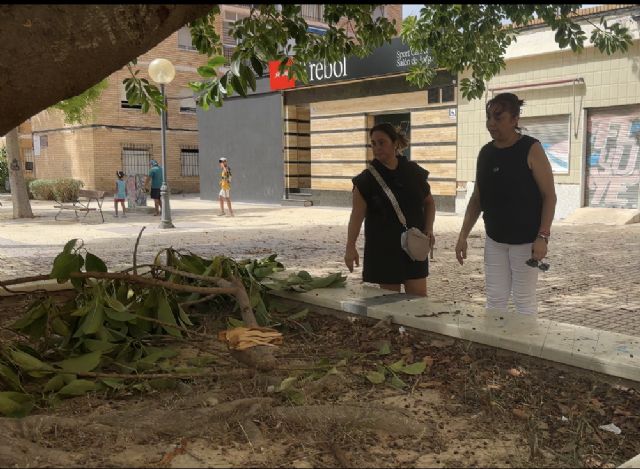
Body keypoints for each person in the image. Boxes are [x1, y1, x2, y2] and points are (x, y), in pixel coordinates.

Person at [454, 92, 557, 315]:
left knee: (524, 301)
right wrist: (463, 235)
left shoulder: (531, 148)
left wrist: (543, 236)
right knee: (495, 299)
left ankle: (525, 348)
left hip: (526, 242)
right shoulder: (485, 153)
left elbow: (550, 196)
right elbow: (477, 198)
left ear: (515, 119)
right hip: (495, 240)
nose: (491, 124)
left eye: (498, 118)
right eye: (489, 117)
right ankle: (495, 347)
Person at [345, 123, 436, 297]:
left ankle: (408, 327)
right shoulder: (366, 180)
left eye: (382, 142)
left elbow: (430, 203)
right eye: (373, 144)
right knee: (388, 306)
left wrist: (429, 228)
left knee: (418, 303)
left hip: (413, 246)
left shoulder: (413, 172)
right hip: (384, 249)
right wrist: (350, 247)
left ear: (395, 143)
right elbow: (356, 216)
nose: (377, 148)